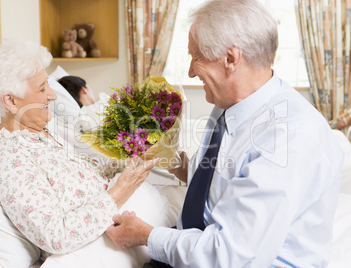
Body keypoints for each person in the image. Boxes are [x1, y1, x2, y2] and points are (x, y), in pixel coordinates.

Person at [105, 0, 344, 267]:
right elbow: (225, 178)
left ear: (230, 59)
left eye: (196, 57)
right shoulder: (230, 105)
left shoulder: (290, 137)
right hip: (197, 248)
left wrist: (146, 235)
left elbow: (229, 255)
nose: (191, 72)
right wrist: (177, 163)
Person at [0, 39, 159, 255]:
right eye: (43, 88)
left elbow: (86, 176)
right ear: (11, 102)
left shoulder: (41, 133)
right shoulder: (12, 161)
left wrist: (129, 163)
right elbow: (56, 236)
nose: (52, 95)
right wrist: (122, 190)